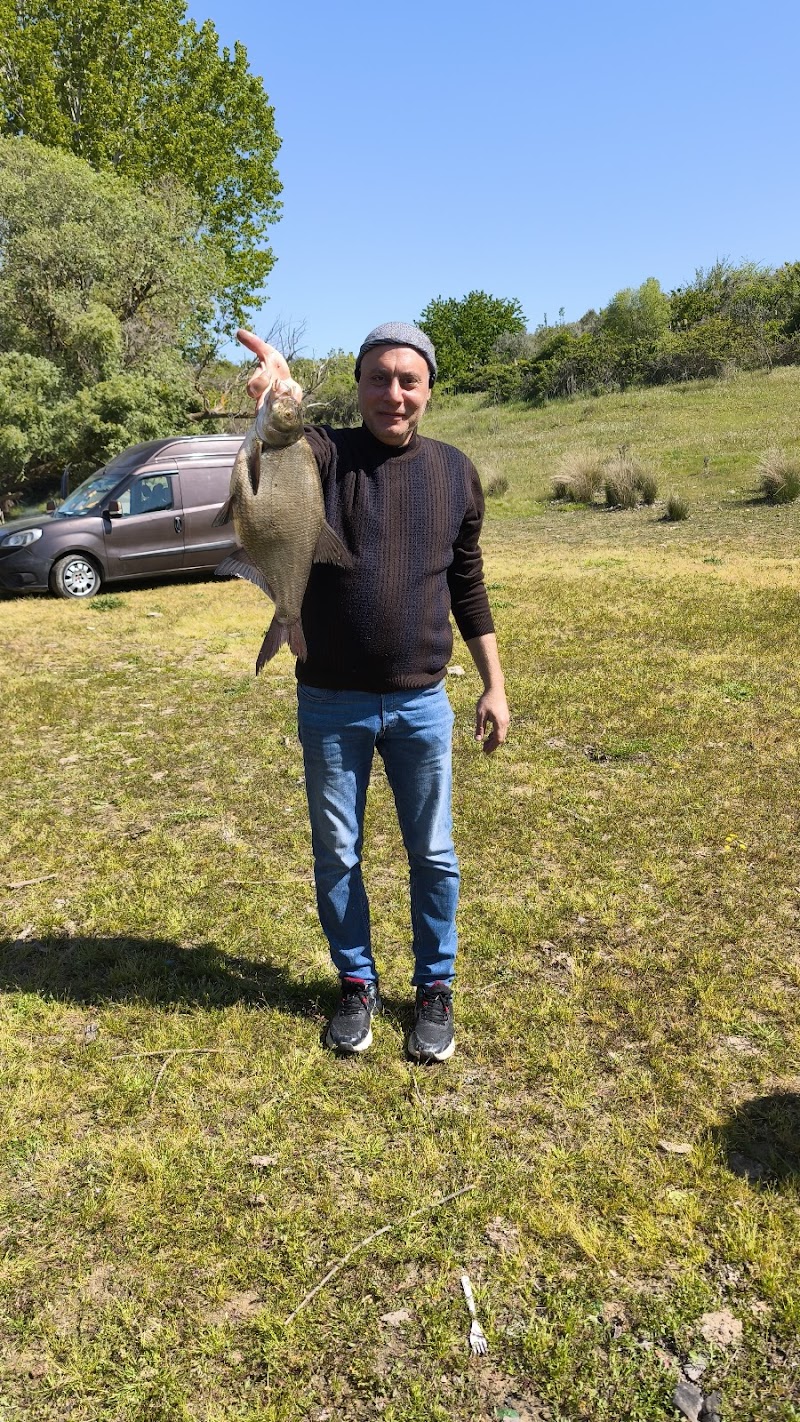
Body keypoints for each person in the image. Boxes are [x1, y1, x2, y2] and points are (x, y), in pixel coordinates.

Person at [240, 322, 510, 1062]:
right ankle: (356, 982)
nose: (393, 393)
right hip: (331, 701)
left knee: (435, 853)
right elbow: (278, 444)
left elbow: (468, 584)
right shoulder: (325, 455)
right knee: (338, 853)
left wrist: (494, 684)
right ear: (358, 388)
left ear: (429, 390)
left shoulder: (455, 471)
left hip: (422, 702)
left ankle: (434, 988)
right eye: (378, 379)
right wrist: (274, 394)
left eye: (408, 380)